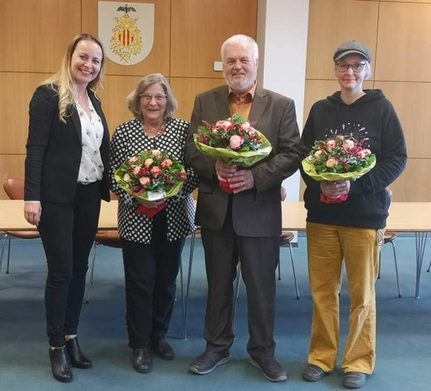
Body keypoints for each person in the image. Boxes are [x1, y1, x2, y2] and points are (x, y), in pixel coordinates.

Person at [184, 34, 302, 382]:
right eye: (231, 61)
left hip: (260, 212)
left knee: (261, 287)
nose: (237, 66)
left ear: (256, 64)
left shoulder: (280, 105)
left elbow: (292, 154)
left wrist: (255, 178)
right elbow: (192, 152)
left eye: (244, 60)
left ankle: (263, 352)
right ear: (224, 65)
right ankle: (216, 347)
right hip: (217, 213)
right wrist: (213, 168)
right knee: (218, 285)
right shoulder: (205, 102)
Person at [300, 40, 407, 389]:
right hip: (322, 217)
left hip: (364, 216)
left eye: (357, 66)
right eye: (344, 66)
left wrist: (355, 187)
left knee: (362, 295)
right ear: (335, 70)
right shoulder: (320, 109)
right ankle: (321, 357)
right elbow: (304, 157)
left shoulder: (382, 109)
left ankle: (358, 361)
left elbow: (396, 158)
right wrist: (320, 183)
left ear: (367, 70)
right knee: (322, 291)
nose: (350, 72)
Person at [23, 33, 110, 382]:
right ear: (70, 56)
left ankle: (72, 336)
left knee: (79, 266)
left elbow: (98, 151)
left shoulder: (94, 100)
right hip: (57, 197)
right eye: (83, 57)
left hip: (88, 196)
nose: (88, 64)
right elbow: (36, 148)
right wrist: (32, 197)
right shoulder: (47, 95)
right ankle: (55, 345)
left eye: (95, 60)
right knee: (61, 271)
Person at [109, 73, 198, 374]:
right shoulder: (123, 133)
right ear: (137, 101)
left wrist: (173, 191)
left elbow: (194, 174)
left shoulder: (184, 130)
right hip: (136, 220)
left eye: (159, 96)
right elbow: (113, 176)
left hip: (173, 219)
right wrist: (138, 197)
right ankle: (139, 344)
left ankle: (159, 336)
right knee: (140, 284)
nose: (152, 102)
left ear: (168, 101)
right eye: (146, 96)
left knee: (165, 283)